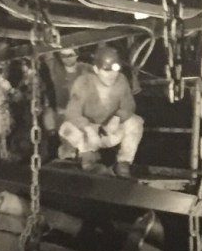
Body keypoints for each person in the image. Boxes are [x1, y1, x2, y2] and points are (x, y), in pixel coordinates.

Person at [58, 46, 143, 177]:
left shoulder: (121, 80)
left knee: (136, 122)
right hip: (88, 136)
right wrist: (88, 129)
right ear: (96, 69)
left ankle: (123, 163)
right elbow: (72, 113)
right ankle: (87, 159)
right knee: (66, 127)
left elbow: (129, 105)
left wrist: (118, 117)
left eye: (115, 70)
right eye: (106, 70)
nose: (112, 75)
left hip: (108, 132)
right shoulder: (83, 82)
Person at [43, 48, 92, 159]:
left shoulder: (85, 68)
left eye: (70, 55)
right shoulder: (56, 69)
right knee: (68, 138)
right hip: (63, 113)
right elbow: (47, 54)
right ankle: (68, 155)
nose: (67, 59)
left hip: (82, 114)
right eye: (63, 56)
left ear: (77, 55)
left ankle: (83, 157)